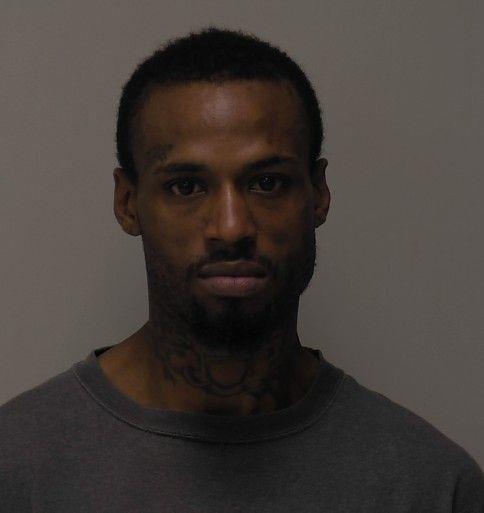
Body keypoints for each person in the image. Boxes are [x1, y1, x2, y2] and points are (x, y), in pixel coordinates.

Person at [1, 26, 483, 512]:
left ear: (318, 194)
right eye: (187, 187)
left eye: (267, 183)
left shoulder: (433, 486)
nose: (231, 228)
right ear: (128, 202)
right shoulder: (17, 469)